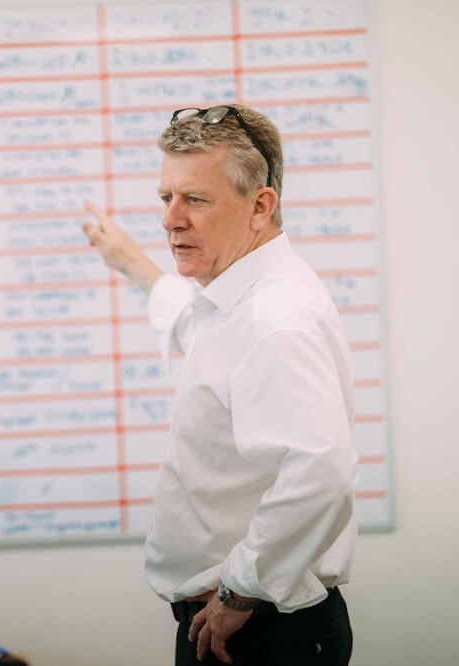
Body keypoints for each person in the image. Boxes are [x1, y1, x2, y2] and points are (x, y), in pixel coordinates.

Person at [82, 104, 357, 665]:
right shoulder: (238, 297)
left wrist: (240, 589)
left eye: (195, 199)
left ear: (260, 206)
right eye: (166, 197)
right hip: (244, 621)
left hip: (254, 630)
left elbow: (321, 471)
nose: (170, 220)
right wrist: (133, 264)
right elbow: (197, 328)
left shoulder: (273, 319)